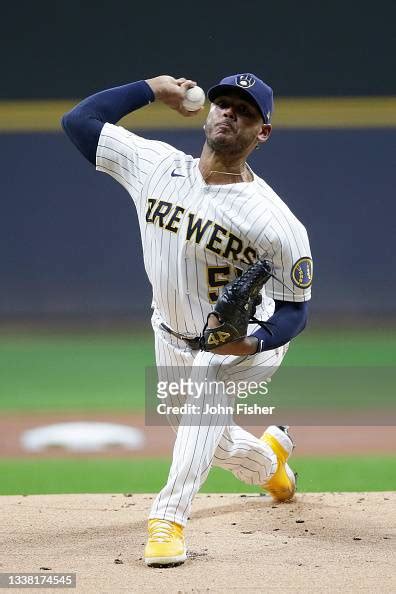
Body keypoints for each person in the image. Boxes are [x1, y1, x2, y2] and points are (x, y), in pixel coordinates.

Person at [62, 72, 313, 567]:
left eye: (245, 111)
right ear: (208, 111)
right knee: (211, 441)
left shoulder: (276, 221)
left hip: (241, 340)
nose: (229, 113)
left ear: (262, 132)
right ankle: (269, 463)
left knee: (207, 378)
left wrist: (252, 344)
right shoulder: (156, 166)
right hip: (170, 333)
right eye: (223, 103)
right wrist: (154, 89)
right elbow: (79, 121)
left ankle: (168, 520)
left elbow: (295, 310)